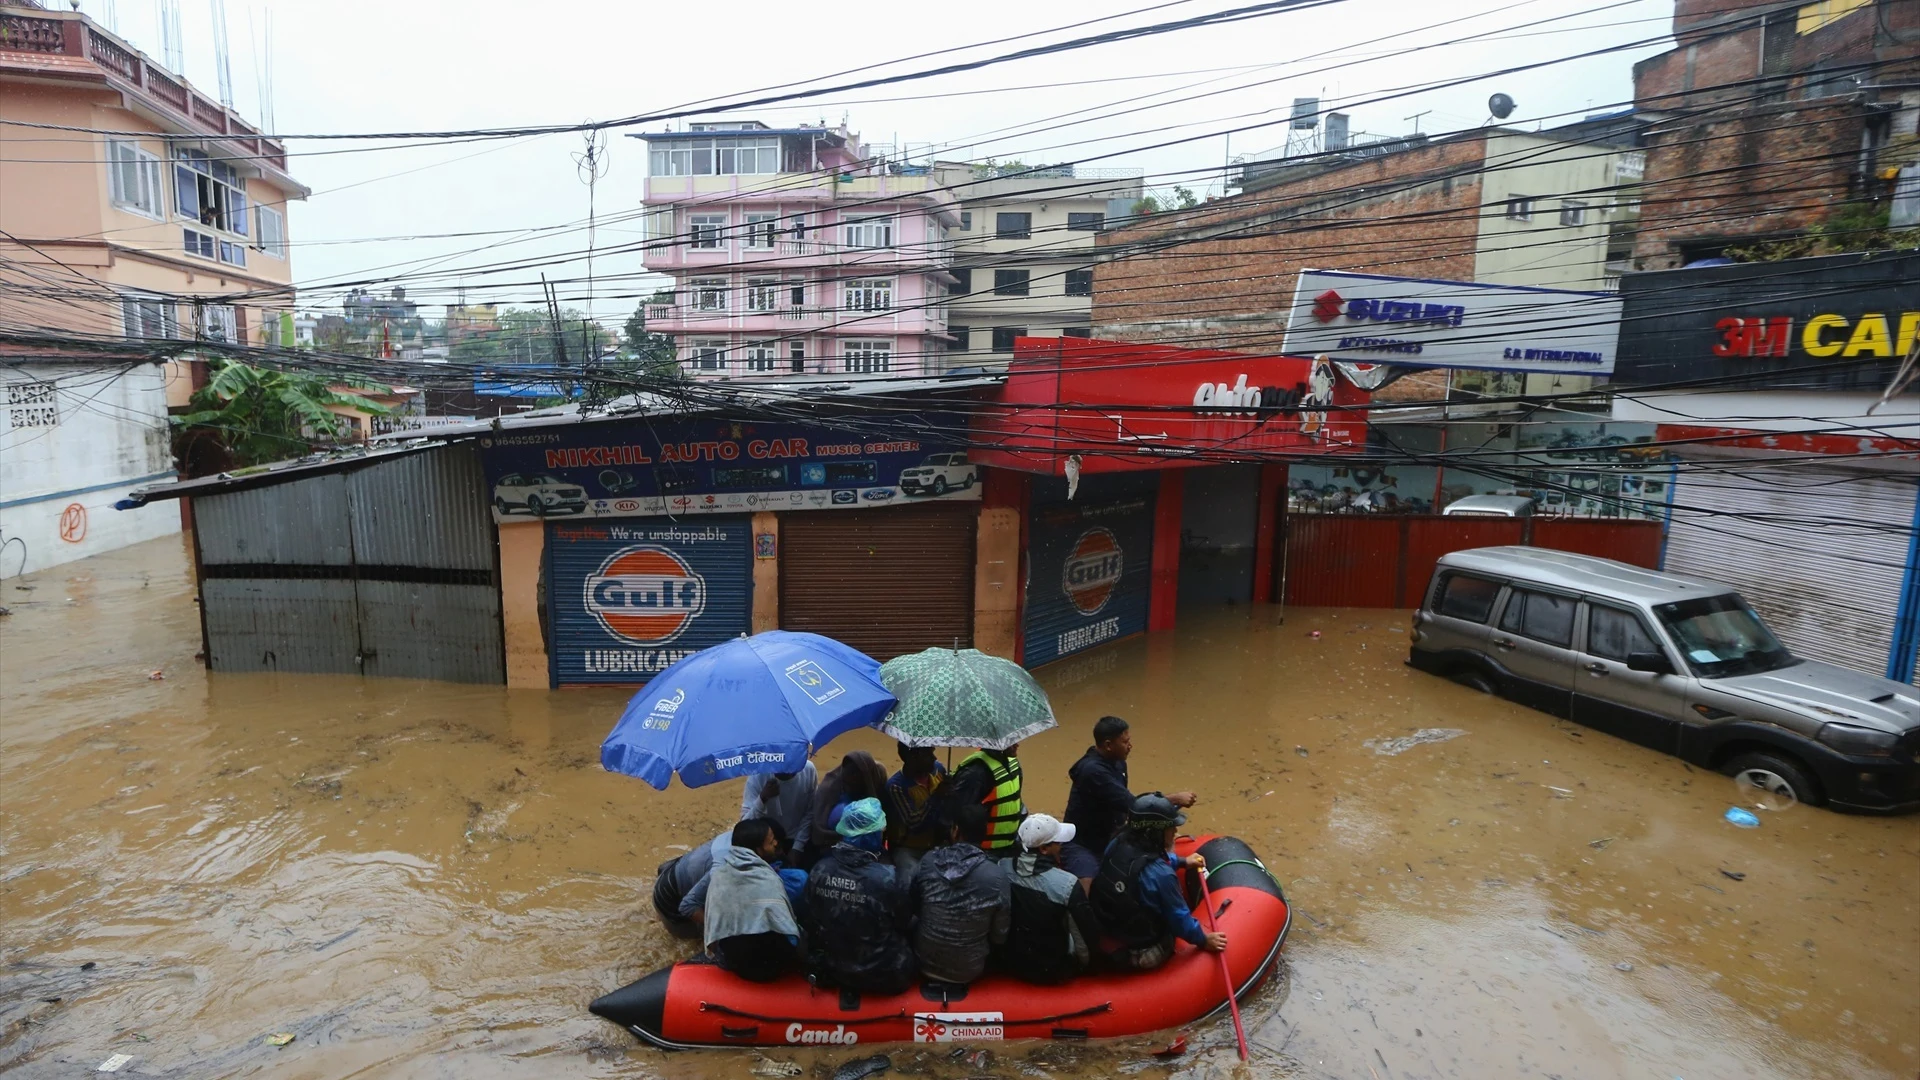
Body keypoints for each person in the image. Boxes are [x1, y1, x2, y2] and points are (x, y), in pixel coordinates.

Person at [1090, 793, 1225, 972]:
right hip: (1142, 952)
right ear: (1153, 832)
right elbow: (1179, 919)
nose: (1175, 832)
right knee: (1173, 915)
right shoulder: (1161, 874)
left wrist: (1182, 862)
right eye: (1170, 828)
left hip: (1108, 933)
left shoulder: (1116, 843)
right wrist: (1204, 940)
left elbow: (1139, 860)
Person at [1061, 716, 1196, 884]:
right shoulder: (1093, 771)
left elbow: (1123, 804)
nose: (1130, 746)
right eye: (1125, 742)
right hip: (1083, 844)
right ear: (1109, 745)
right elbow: (1132, 805)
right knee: (1089, 886)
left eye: (1129, 740)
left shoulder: (1118, 763)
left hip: (1111, 836)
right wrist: (1174, 798)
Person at [803, 797, 917, 994]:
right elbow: (904, 922)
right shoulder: (887, 878)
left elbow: (810, 917)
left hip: (834, 969)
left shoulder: (819, 870)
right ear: (872, 836)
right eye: (880, 832)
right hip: (886, 974)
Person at [909, 803, 1011, 985]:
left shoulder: (929, 862)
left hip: (923, 961)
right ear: (984, 834)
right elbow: (999, 935)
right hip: (970, 968)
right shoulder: (997, 876)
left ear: (955, 831)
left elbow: (914, 907)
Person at [1003, 813, 1102, 985]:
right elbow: (1084, 939)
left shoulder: (1002, 867)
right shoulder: (1067, 884)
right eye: (1058, 842)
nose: (1062, 845)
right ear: (1044, 849)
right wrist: (1088, 968)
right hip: (1052, 969)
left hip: (1010, 961)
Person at [703, 818, 804, 982]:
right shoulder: (768, 878)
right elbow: (790, 931)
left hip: (732, 960)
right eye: (771, 842)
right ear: (758, 850)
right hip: (770, 966)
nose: (776, 843)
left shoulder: (719, 876)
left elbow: (713, 927)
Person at [805, 751, 890, 864]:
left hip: (865, 853)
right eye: (849, 777)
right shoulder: (830, 791)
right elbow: (819, 832)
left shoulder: (872, 789)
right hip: (830, 852)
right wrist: (848, 836)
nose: (852, 781)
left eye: (856, 777)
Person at [650, 829, 733, 939]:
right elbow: (688, 906)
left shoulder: (746, 830)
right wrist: (724, 930)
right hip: (670, 896)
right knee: (694, 941)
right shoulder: (725, 868)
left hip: (670, 869)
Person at [945, 743, 1025, 857]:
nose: (1017, 744)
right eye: (1010, 742)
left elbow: (1016, 802)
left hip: (1010, 849)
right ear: (995, 743)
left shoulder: (1014, 765)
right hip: (982, 853)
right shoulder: (976, 771)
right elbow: (959, 815)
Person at [883, 742, 947, 878]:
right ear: (913, 758)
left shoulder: (939, 771)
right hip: (908, 848)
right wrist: (937, 796)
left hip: (937, 844)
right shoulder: (896, 786)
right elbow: (914, 822)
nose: (934, 758)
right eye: (928, 754)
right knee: (909, 882)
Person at [742, 760, 818, 865]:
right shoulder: (758, 774)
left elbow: (810, 812)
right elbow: (744, 825)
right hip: (768, 842)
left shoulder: (808, 769)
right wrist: (763, 799)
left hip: (799, 836)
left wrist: (797, 847)